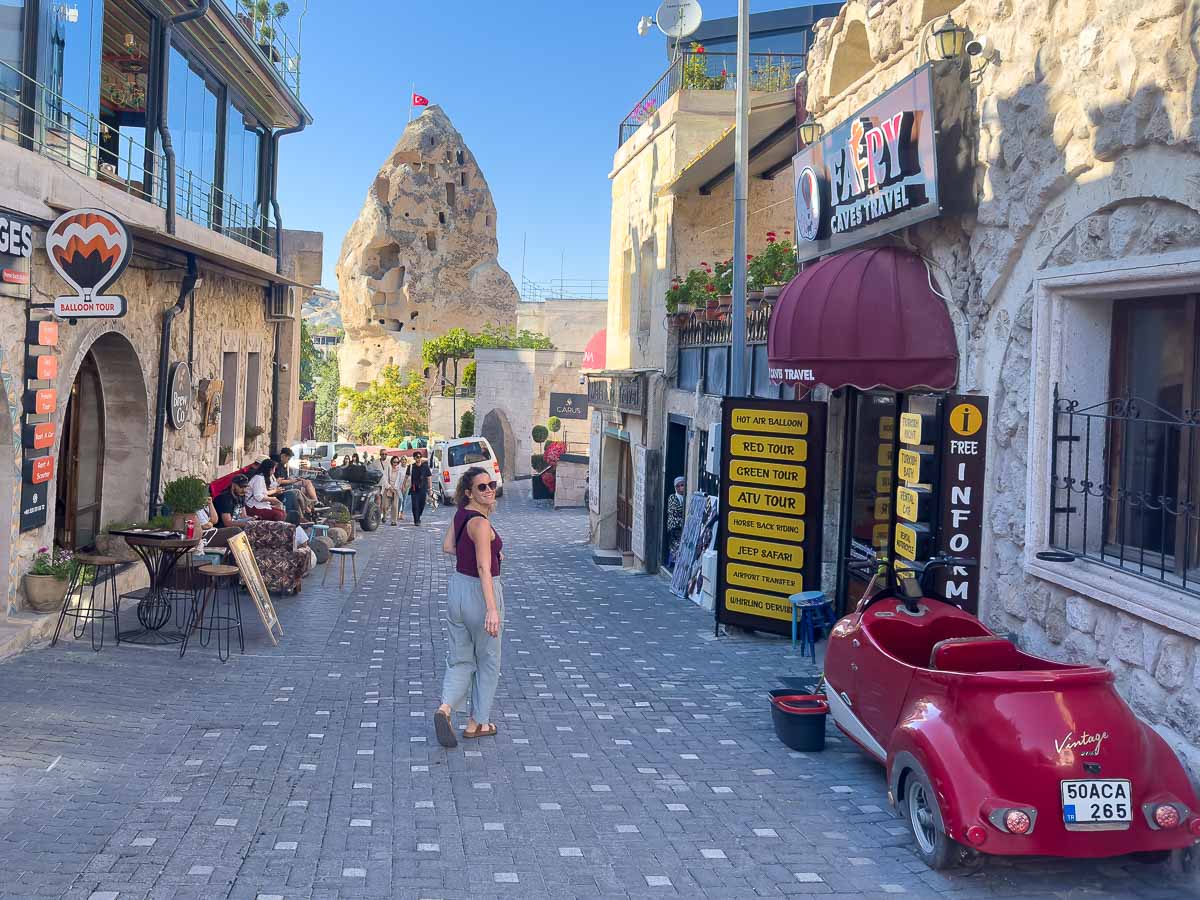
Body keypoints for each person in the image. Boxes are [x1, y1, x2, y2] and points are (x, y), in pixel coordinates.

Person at [434, 466, 504, 748]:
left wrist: (489, 550)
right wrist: (491, 608)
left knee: (460, 658)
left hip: (457, 589)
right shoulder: (482, 524)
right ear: (469, 493)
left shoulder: (462, 515)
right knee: (488, 660)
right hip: (480, 591)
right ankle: (479, 722)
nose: (488, 490)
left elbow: (448, 547)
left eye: (491, 485)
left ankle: (445, 709)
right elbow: (483, 567)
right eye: (481, 487)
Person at [666, 475, 687, 568]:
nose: (680, 488)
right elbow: (675, 511)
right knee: (675, 545)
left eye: (682, 485)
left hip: (682, 525)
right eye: (678, 486)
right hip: (674, 526)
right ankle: (673, 563)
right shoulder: (672, 497)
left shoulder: (686, 497)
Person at [408, 449, 431, 526]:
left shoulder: (425, 467)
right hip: (414, 489)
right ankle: (416, 520)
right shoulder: (411, 467)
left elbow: (429, 478)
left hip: (423, 489)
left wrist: (430, 489)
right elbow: (406, 477)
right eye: (417, 457)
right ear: (414, 458)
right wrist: (403, 486)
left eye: (420, 457)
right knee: (415, 505)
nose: (419, 458)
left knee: (422, 504)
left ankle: (418, 516)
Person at [381, 454, 406, 525]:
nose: (395, 463)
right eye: (394, 462)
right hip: (388, 488)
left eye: (397, 462)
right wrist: (389, 487)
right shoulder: (388, 468)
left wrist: (401, 487)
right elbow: (384, 478)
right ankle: (384, 516)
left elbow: (402, 479)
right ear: (391, 462)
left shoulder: (400, 470)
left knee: (395, 506)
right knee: (385, 506)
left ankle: (393, 521)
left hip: (396, 489)